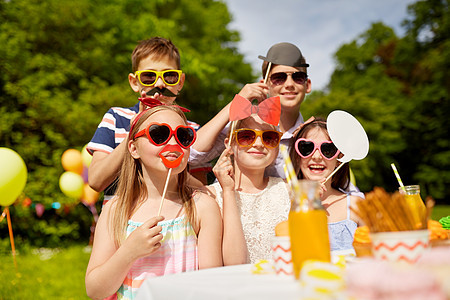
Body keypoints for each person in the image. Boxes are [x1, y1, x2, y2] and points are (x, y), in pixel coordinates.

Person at [85, 106, 223, 300]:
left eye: (183, 136)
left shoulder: (202, 207)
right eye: (159, 134)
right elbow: (95, 291)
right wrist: (128, 252)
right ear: (133, 148)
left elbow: (211, 285)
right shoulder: (114, 211)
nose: (174, 142)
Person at [87, 37, 209, 205]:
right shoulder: (116, 118)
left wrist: (173, 165)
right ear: (134, 82)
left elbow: (204, 191)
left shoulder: (192, 130)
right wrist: (135, 130)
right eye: (149, 77)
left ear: (180, 82)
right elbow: (96, 181)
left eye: (169, 76)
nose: (159, 84)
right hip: (120, 225)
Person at [190, 42, 311, 180]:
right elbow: (192, 155)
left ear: (307, 85)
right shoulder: (245, 123)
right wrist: (237, 102)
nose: (289, 84)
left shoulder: (311, 136)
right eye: (279, 78)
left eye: (298, 77)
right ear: (264, 84)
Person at [206, 96, 291, 265]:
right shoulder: (209, 197)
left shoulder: (289, 191)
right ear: (229, 144)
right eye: (246, 136)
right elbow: (233, 266)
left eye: (269, 137)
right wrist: (228, 191)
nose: (259, 144)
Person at [289, 117, 363, 254]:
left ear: (339, 159)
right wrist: (308, 200)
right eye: (306, 148)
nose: (317, 156)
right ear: (297, 156)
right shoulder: (284, 202)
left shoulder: (356, 205)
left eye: (327, 149)